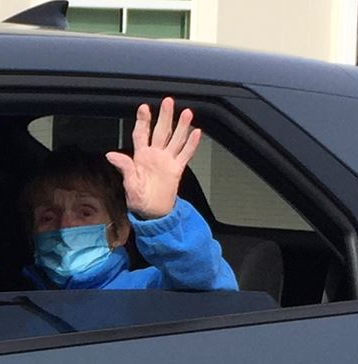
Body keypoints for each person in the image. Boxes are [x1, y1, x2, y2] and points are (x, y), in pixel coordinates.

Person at [22, 97, 237, 293]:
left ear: (120, 232)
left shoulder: (144, 291)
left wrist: (162, 219)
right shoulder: (19, 303)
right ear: (32, 235)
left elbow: (209, 288)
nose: (65, 226)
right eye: (48, 217)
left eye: (85, 212)